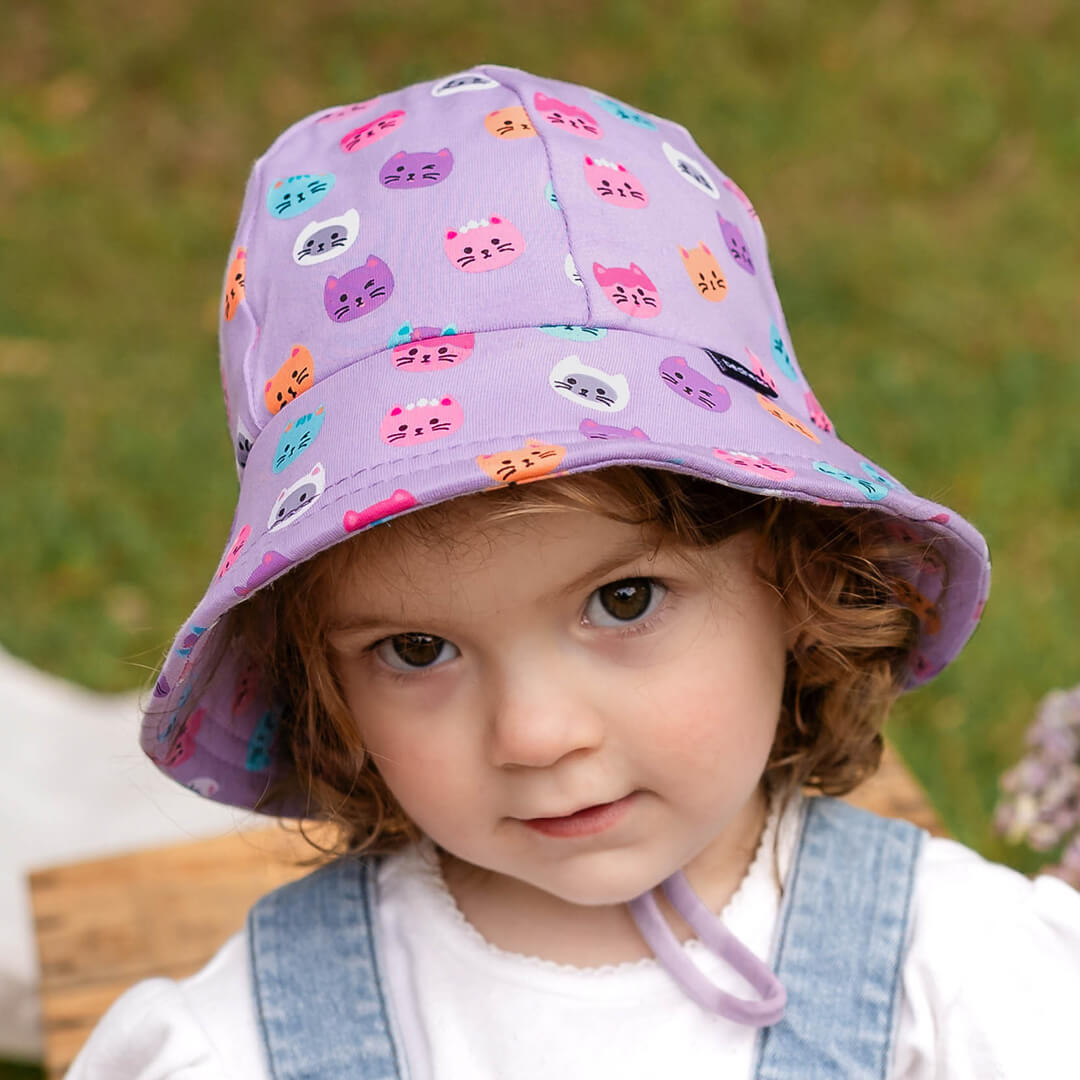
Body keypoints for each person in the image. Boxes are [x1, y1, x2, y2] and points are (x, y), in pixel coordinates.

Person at [65, 63, 1080, 1079]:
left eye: (623, 600)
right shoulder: (242, 1043)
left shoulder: (960, 985)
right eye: (417, 650)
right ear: (326, 686)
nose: (537, 736)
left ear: (797, 572)